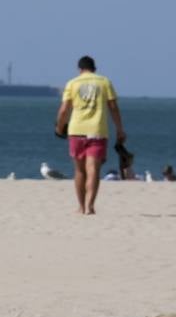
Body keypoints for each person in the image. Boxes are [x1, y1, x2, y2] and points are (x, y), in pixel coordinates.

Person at [54, 56, 126, 215]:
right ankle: (90, 206)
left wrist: (59, 127)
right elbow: (113, 107)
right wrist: (119, 129)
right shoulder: (104, 82)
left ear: (80, 69)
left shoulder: (72, 83)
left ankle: (80, 207)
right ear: (95, 68)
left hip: (76, 130)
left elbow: (64, 109)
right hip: (97, 131)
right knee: (93, 169)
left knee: (79, 171)